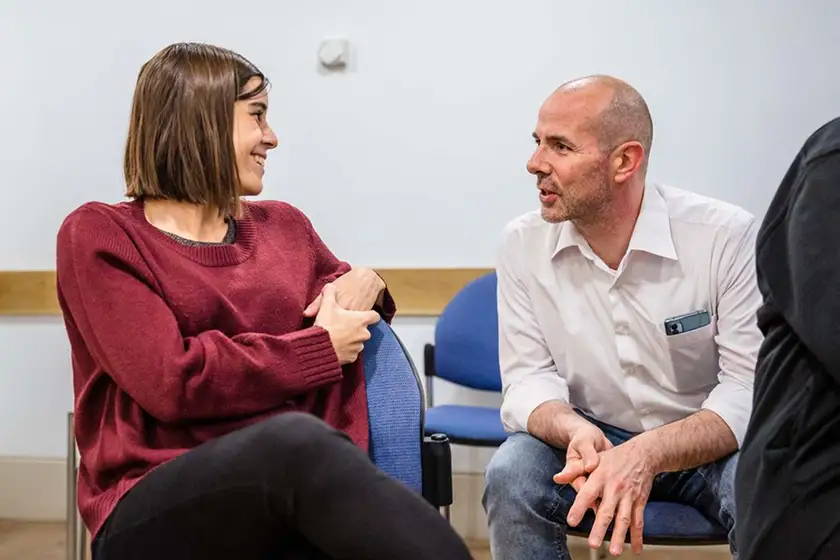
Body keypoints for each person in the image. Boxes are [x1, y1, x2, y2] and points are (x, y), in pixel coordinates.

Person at [56, 42, 471, 560]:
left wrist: (368, 279)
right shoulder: (100, 235)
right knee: (293, 441)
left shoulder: (284, 227)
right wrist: (317, 349)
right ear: (200, 120)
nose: (271, 138)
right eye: (257, 116)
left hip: (291, 490)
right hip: (154, 500)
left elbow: (352, 298)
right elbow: (172, 381)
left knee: (300, 463)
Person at [482, 75, 762, 559]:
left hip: (709, 443)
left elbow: (747, 389)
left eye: (560, 146)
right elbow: (528, 377)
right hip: (592, 438)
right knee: (512, 472)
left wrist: (648, 453)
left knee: (768, 483)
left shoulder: (724, 237)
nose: (534, 163)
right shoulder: (521, 243)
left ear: (624, 161)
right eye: (537, 142)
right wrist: (572, 428)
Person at [734, 117, 840, 559]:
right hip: (816, 478)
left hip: (712, 431)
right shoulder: (832, 164)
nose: (535, 163)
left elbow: (733, 377)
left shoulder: (719, 232)